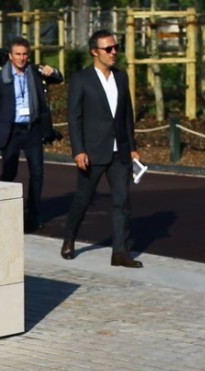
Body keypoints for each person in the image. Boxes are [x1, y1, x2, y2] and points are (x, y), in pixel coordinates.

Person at [62, 29, 143, 268]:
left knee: (122, 202)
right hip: (93, 151)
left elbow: (126, 115)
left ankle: (120, 252)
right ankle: (69, 238)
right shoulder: (81, 79)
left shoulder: (121, 77)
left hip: (120, 152)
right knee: (83, 199)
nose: (114, 52)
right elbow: (74, 117)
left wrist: (132, 146)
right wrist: (78, 150)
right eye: (108, 49)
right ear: (94, 52)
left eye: (115, 47)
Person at [0, 36, 63, 232]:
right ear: (10, 56)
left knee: (37, 173)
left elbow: (59, 78)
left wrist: (52, 71)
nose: (21, 58)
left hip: (32, 130)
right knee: (9, 172)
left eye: (24, 54)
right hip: (11, 131)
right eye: (17, 54)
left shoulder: (35, 72)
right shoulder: (0, 78)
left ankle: (33, 216)